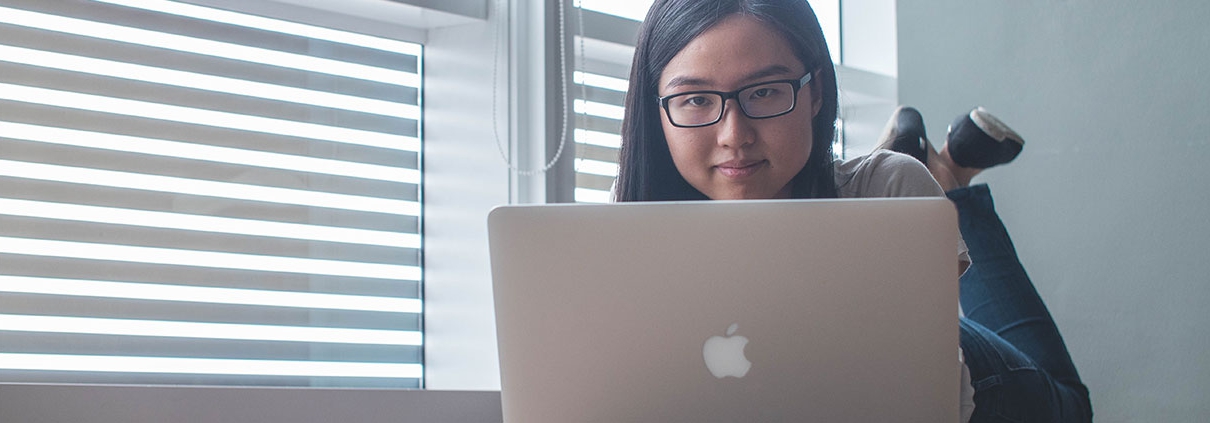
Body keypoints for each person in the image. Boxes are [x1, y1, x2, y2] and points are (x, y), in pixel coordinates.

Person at [612, 0, 1092, 422]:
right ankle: (950, 172)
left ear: (815, 92)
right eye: (695, 99)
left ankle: (948, 183)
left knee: (1072, 405)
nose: (734, 135)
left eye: (764, 92)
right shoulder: (618, 230)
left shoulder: (892, 187)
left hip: (982, 386)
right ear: (656, 111)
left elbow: (929, 405)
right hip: (884, 288)